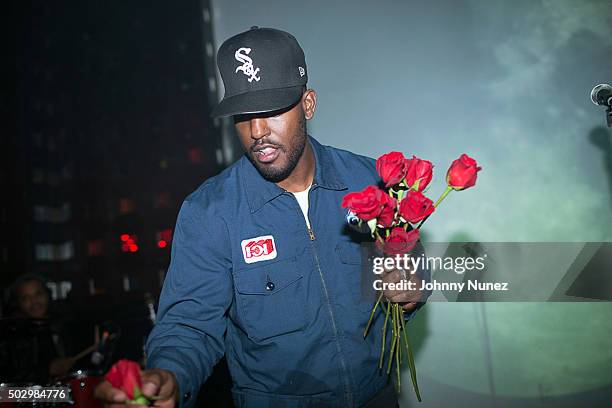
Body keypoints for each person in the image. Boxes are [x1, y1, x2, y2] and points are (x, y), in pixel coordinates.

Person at [95, 26, 430, 407]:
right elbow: (190, 325)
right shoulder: (209, 212)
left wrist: (414, 286)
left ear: (308, 105)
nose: (256, 132)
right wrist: (168, 374)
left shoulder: (370, 181)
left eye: (271, 110)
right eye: (242, 115)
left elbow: (410, 260)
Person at [6, 274, 75, 381]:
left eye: (38, 294)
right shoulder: (12, 335)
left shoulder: (63, 326)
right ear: (18, 303)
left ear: (48, 295)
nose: (34, 302)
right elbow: (8, 379)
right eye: (25, 298)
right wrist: (47, 370)